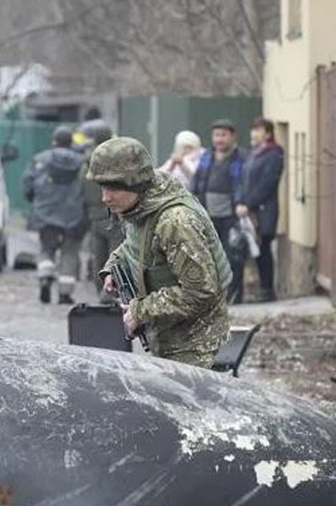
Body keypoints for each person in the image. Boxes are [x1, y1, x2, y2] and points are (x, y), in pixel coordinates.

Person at [87, 136, 231, 367]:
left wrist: (140, 311)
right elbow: (139, 244)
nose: (105, 197)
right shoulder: (141, 205)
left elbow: (201, 292)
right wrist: (115, 266)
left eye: (113, 187)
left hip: (194, 346)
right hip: (167, 337)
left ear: (134, 182)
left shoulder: (175, 221)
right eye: (102, 187)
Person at [24, 126, 85, 305]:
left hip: (46, 213)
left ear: (54, 141)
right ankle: (65, 293)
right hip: (74, 215)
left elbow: (28, 183)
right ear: (71, 142)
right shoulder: (81, 162)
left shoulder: (40, 159)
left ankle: (45, 276)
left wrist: (34, 200)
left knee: (46, 248)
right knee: (70, 252)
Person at [190, 119, 247, 303]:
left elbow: (243, 184)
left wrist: (241, 203)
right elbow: (197, 181)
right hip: (208, 215)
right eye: (216, 135)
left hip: (232, 216)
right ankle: (215, 295)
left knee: (233, 256)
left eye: (223, 135)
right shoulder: (207, 156)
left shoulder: (241, 157)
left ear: (232, 136)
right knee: (210, 256)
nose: (219, 139)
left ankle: (234, 295)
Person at [237, 118, 285, 302]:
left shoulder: (275, 153)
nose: (253, 134)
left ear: (268, 133)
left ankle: (267, 290)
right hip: (249, 211)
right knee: (255, 250)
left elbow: (267, 183)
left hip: (264, 210)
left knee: (264, 249)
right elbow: (244, 181)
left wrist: (249, 203)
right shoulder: (254, 154)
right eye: (252, 130)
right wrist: (241, 201)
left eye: (258, 130)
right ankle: (261, 288)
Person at [75, 117, 123, 302]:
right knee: (115, 260)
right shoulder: (117, 159)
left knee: (98, 259)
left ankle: (101, 296)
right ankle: (110, 297)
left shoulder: (87, 162)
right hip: (115, 217)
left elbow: (82, 190)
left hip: (95, 218)